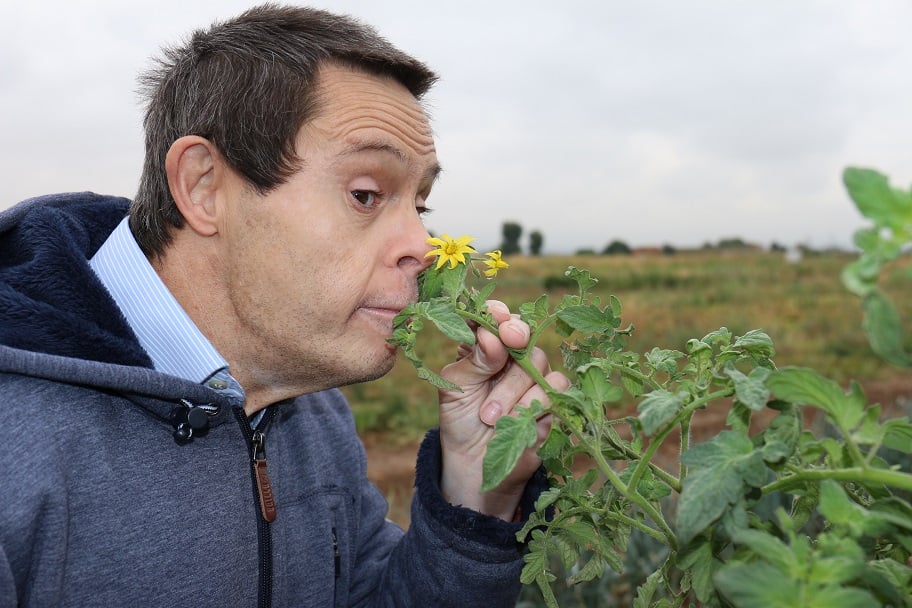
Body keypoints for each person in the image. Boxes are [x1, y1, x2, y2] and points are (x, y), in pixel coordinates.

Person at [0, 4, 569, 607]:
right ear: (203, 187)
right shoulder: (17, 444)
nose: (422, 248)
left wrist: (476, 500)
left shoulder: (310, 405)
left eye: (420, 205)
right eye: (367, 194)